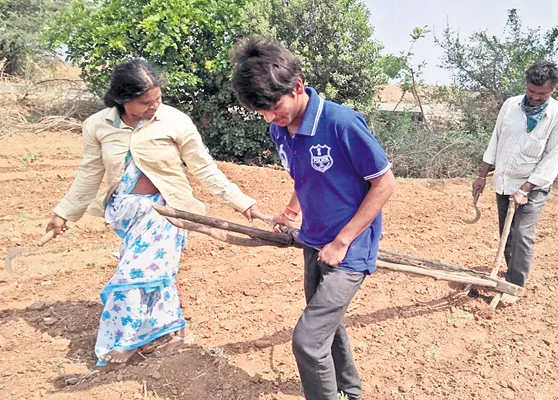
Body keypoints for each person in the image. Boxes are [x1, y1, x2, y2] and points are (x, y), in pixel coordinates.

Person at [46, 59, 258, 366]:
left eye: (158, 98)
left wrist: (243, 203)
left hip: (167, 212)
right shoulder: (97, 126)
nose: (154, 106)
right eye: (146, 102)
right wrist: (64, 212)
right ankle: (181, 333)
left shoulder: (175, 121)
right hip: (126, 213)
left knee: (132, 275)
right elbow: (89, 174)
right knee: (156, 275)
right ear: (123, 99)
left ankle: (127, 340)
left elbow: (204, 168)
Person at [230, 37, 396, 400]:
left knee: (307, 340)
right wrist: (292, 211)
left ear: (298, 86)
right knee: (326, 328)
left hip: (349, 250)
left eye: (274, 107)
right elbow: (303, 174)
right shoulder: (279, 127)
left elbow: (384, 183)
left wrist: (342, 241)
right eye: (262, 112)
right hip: (313, 239)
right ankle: (350, 392)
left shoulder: (341, 123)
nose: (270, 117)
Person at [472, 61, 558, 304]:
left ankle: (515, 285)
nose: (536, 97)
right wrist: (482, 175)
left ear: (552, 90)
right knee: (505, 234)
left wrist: (525, 189)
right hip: (504, 181)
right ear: (526, 86)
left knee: (522, 234)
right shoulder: (510, 106)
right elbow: (495, 141)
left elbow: (551, 158)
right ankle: (509, 271)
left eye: (542, 94)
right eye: (532, 92)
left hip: (533, 186)